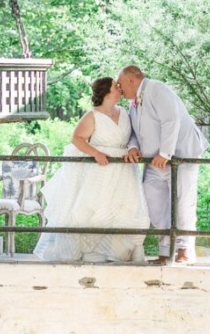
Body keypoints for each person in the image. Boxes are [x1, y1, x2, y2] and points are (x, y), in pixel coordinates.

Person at [32, 74, 148, 263]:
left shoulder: (125, 113)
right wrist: (96, 153)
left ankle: (117, 253)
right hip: (100, 169)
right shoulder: (92, 115)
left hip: (123, 169)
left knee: (124, 210)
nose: (119, 88)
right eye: (115, 86)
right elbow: (76, 139)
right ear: (106, 92)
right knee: (94, 210)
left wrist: (131, 148)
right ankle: (91, 254)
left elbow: (132, 136)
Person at [115, 64, 207, 264]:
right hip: (153, 162)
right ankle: (165, 251)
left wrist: (166, 153)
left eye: (120, 84)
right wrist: (132, 147)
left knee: (183, 201)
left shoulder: (157, 89)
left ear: (132, 79)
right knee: (154, 203)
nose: (119, 90)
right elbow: (134, 132)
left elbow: (171, 120)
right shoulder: (133, 104)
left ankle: (184, 249)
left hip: (181, 156)